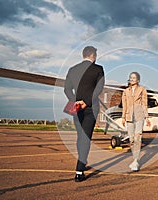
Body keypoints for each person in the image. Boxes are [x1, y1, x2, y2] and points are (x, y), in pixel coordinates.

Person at [64, 46, 105, 182]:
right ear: (93, 55)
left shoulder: (72, 69)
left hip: (76, 108)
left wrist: (76, 101)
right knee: (85, 138)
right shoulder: (98, 69)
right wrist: (86, 102)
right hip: (90, 108)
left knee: (80, 137)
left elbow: (67, 89)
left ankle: (82, 160)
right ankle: (79, 170)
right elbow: (99, 89)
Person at [122, 72, 151, 171]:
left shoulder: (142, 90)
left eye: (134, 78)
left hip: (139, 116)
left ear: (138, 80)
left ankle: (135, 161)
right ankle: (134, 158)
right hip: (129, 117)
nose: (132, 79)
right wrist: (123, 117)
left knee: (138, 138)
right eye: (131, 77)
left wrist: (147, 117)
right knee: (131, 139)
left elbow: (144, 104)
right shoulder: (125, 91)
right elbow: (124, 105)